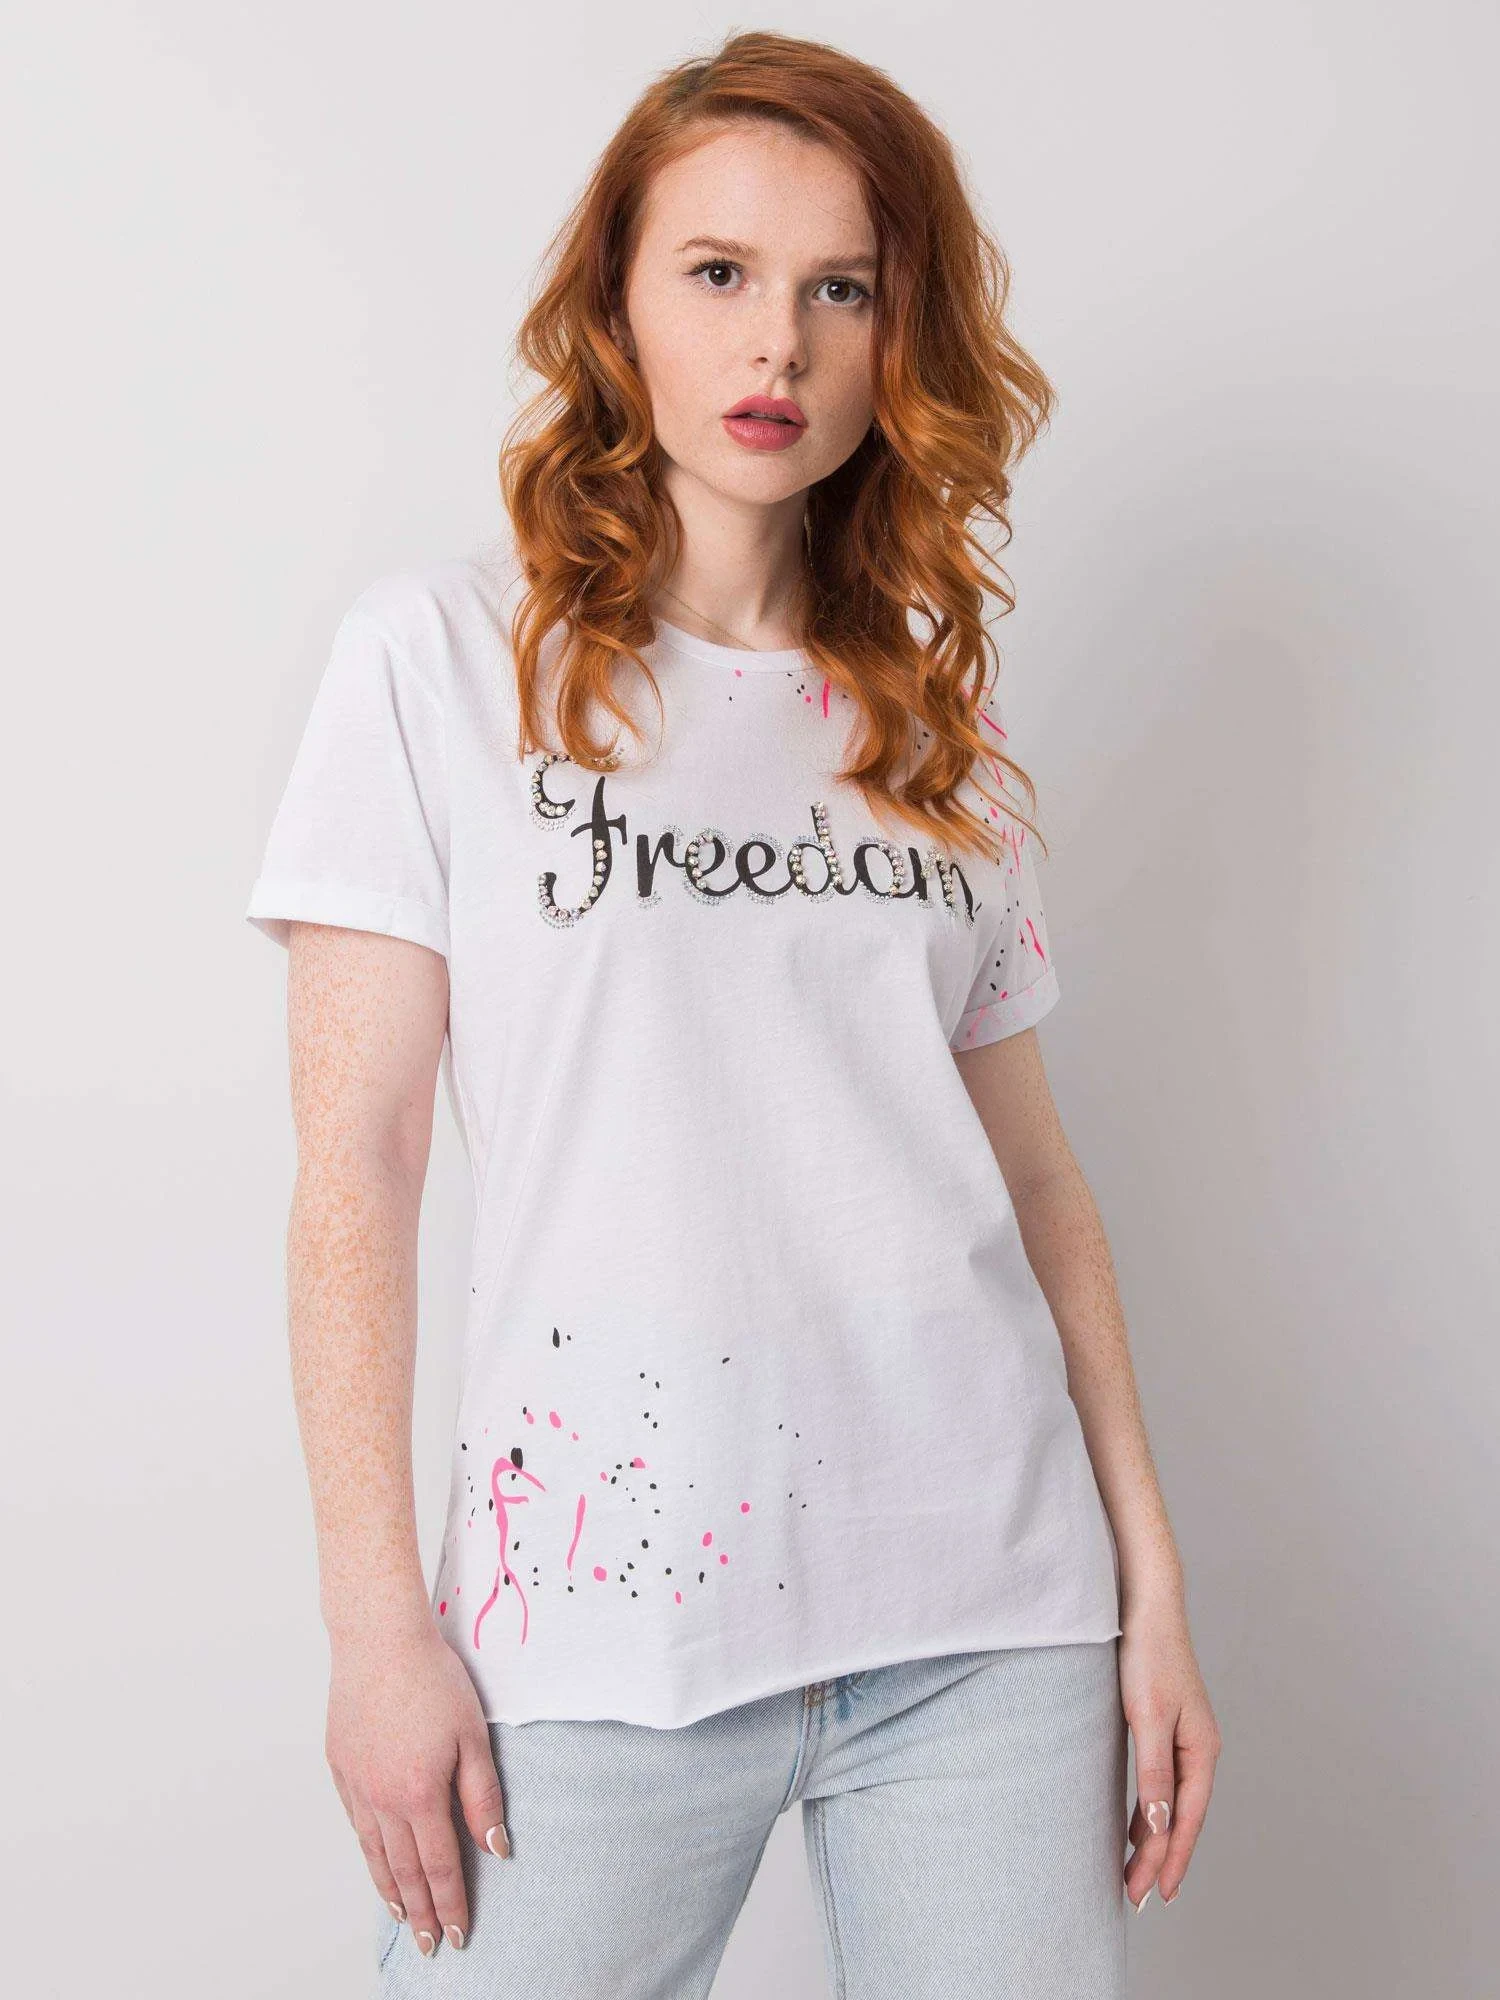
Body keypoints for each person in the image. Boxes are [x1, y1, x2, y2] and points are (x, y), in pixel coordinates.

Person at [244, 29, 1220, 1999]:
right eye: (718, 272)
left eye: (840, 287)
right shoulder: (443, 664)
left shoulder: (941, 731)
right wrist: (373, 1628)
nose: (778, 340)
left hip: (990, 1619)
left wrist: (1153, 1584)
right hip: (601, 1626)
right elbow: (359, 1164)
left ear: (896, 339)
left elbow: (1038, 1186)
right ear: (615, 306)